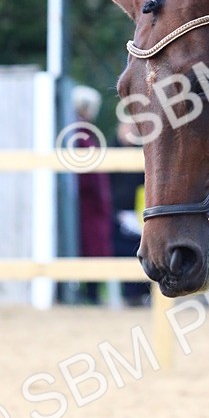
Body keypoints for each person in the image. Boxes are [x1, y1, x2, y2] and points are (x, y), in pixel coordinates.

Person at [72, 84, 114, 303]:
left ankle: (92, 291)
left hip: (93, 203)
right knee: (91, 244)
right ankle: (90, 292)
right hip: (88, 202)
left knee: (94, 244)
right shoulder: (81, 134)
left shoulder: (83, 133)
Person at [110, 117, 149, 306]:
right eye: (126, 126)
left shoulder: (142, 151)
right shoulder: (110, 150)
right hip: (116, 215)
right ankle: (126, 295)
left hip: (138, 214)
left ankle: (142, 294)